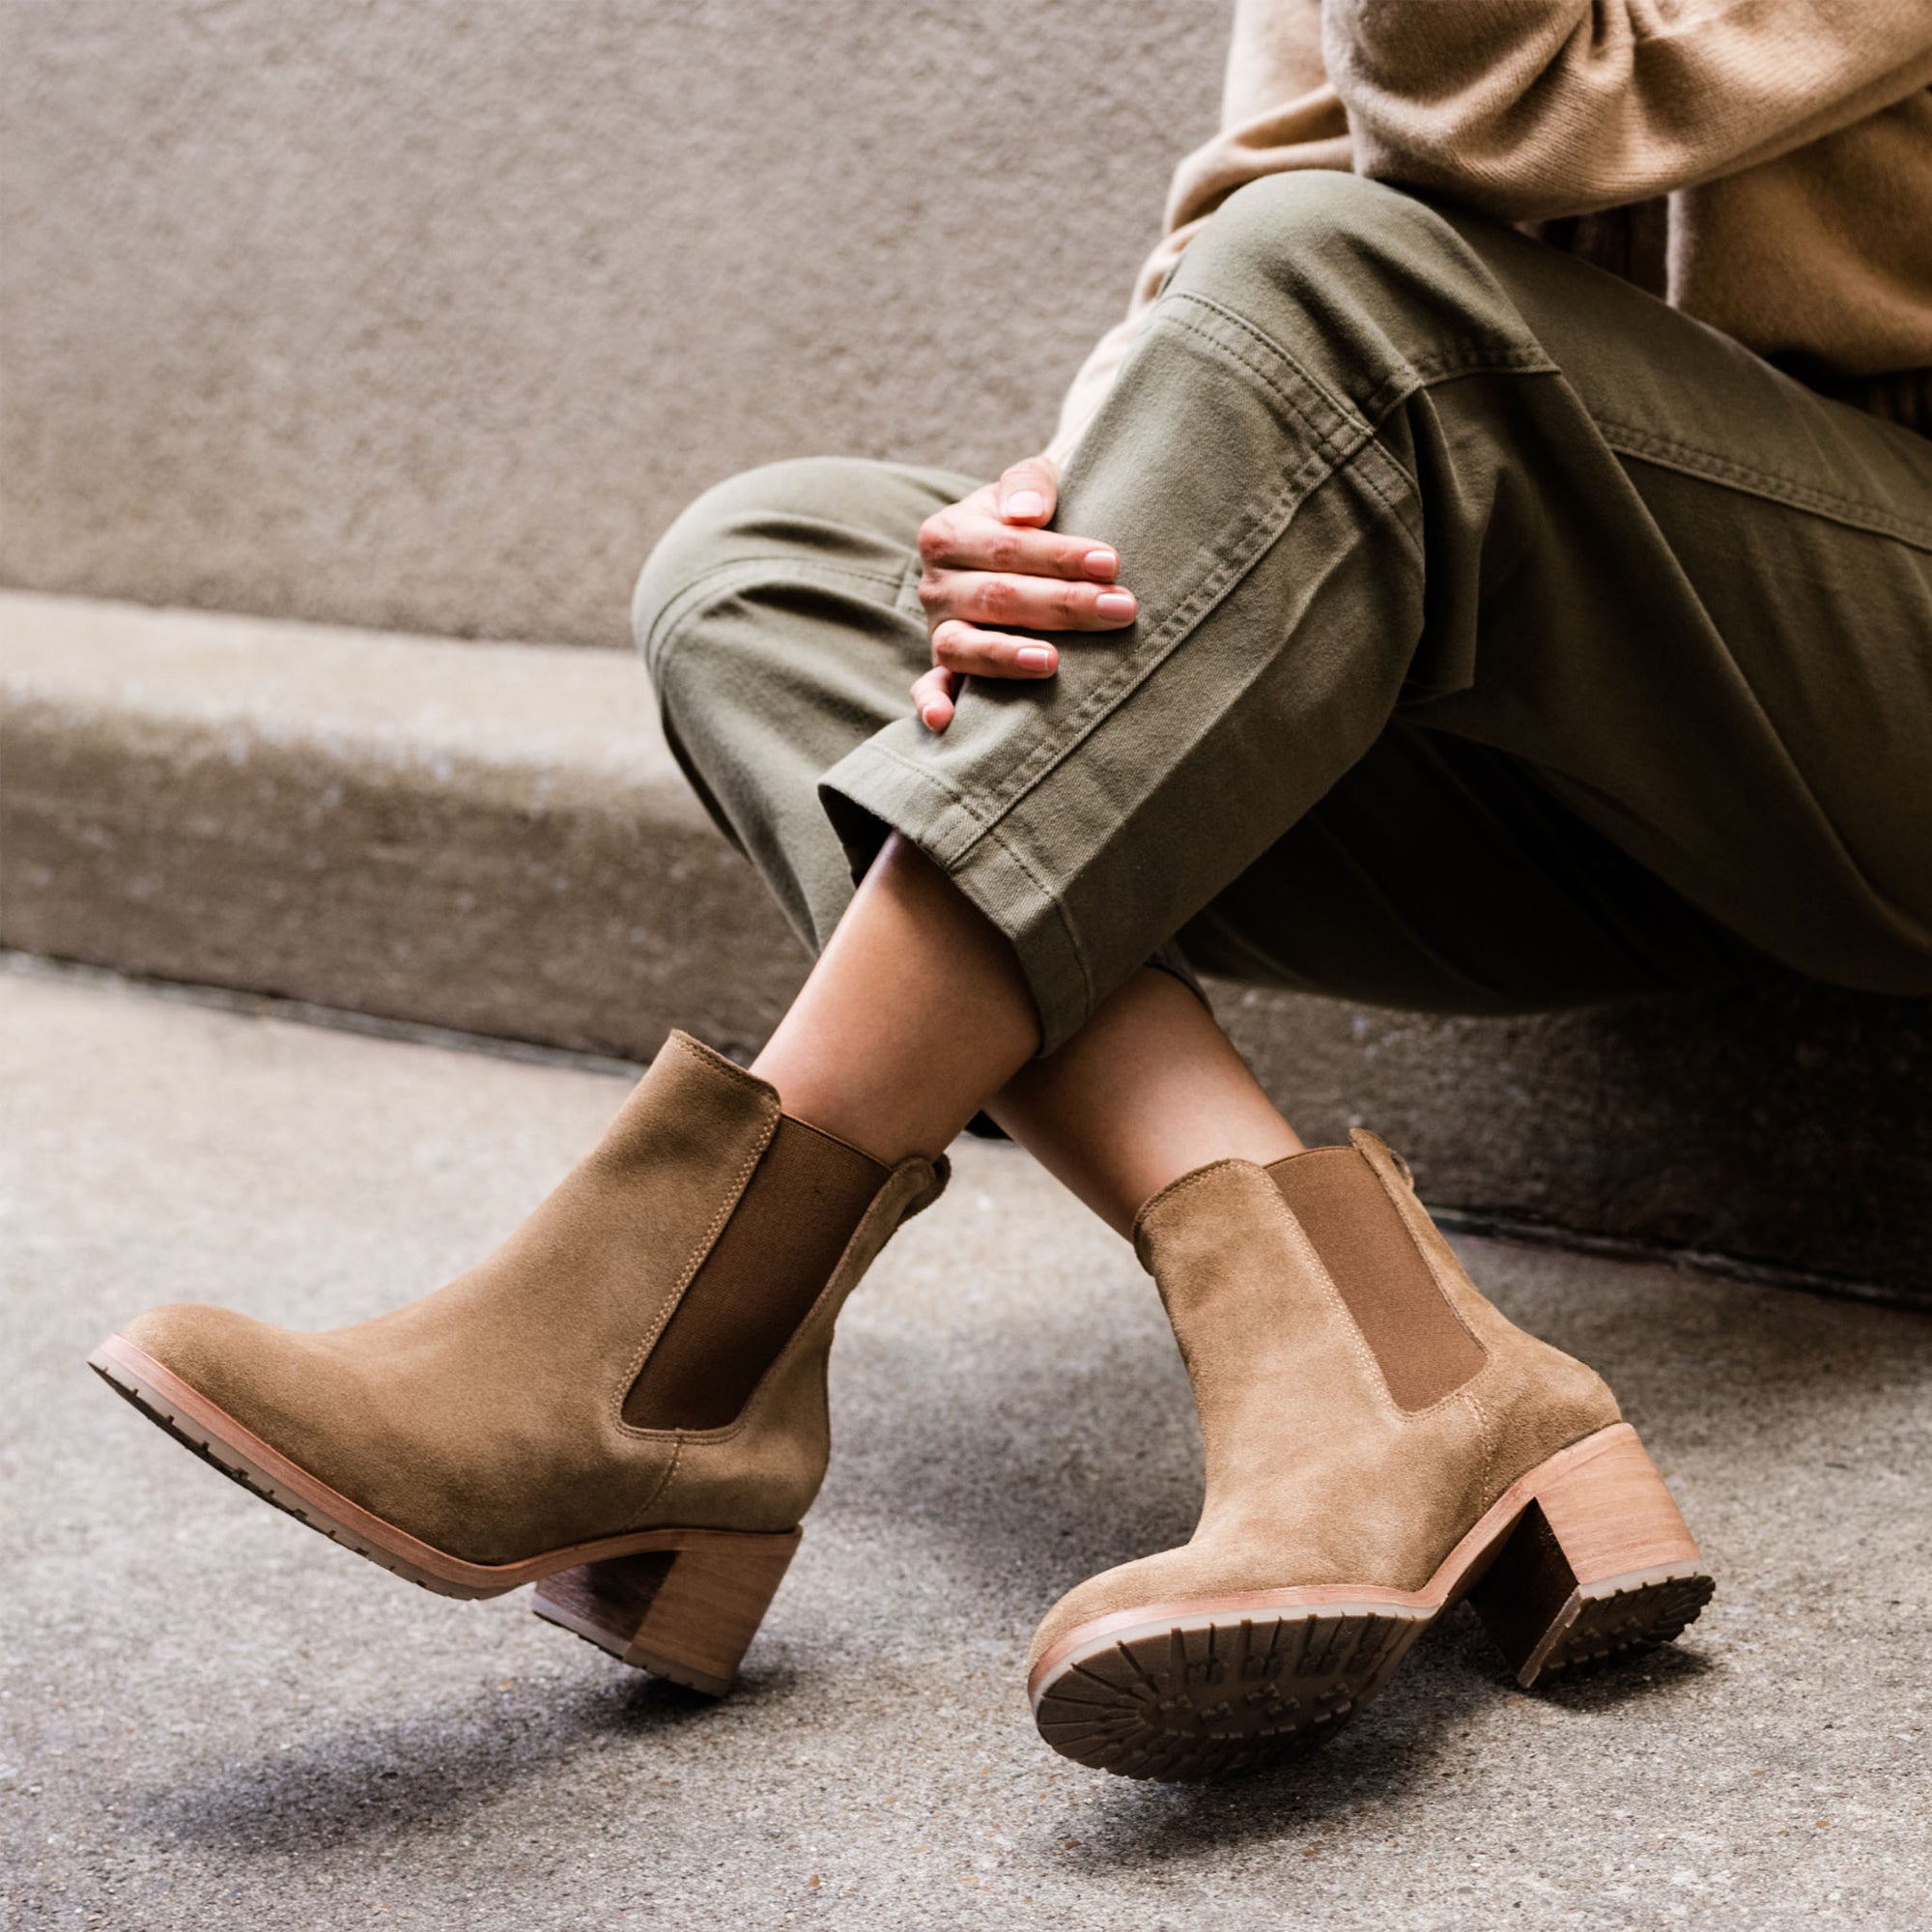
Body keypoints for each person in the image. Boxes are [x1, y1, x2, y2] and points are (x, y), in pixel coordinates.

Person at [92, 3, 1931, 1780]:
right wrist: (1079, 507)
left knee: (1354, 301)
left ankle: (673, 1349)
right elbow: (1263, 219)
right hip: (1580, 716)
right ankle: (1384, 1356)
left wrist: (1293, 367)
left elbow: (1492, 121)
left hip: (1881, 695)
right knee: (775, 578)